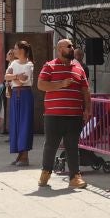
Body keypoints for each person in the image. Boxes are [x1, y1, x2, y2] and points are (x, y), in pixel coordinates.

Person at [36, 38, 91, 190]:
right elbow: (41, 85)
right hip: (54, 115)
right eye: (69, 46)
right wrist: (61, 84)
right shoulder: (49, 66)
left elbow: (85, 91)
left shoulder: (79, 68)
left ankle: (75, 177)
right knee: (51, 145)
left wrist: (88, 109)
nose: (72, 48)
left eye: (72, 46)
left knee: (72, 146)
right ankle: (46, 172)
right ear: (60, 49)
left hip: (74, 115)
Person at [4, 41, 36, 167]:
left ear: (22, 50)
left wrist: (13, 77)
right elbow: (6, 76)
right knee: (16, 124)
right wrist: (16, 76)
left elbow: (22, 81)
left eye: (16, 48)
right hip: (15, 96)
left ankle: (25, 156)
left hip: (25, 96)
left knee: (25, 124)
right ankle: (19, 154)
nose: (14, 51)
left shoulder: (29, 64)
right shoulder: (13, 63)